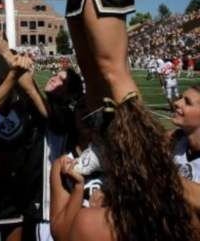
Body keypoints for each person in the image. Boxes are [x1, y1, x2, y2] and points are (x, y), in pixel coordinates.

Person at [50, 94, 200, 241]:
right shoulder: (64, 165)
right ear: (74, 113)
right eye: (82, 107)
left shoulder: (130, 170)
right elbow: (61, 235)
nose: (88, 113)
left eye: (94, 109)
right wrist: (78, 188)